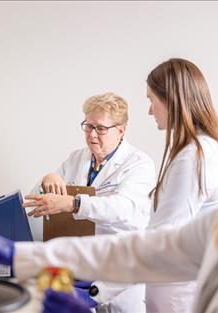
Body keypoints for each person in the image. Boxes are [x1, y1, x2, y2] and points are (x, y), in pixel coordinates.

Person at [0, 53, 218, 313]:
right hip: (132, 284)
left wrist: (91, 293)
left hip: (157, 295)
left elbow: (141, 229)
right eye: (87, 126)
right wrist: (23, 255)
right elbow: (154, 247)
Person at [25, 92, 156, 313]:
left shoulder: (138, 165)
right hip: (79, 271)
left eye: (101, 128)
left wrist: (74, 203)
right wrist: (47, 179)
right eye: (88, 126)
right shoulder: (76, 159)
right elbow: (37, 201)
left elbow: (124, 208)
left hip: (118, 278)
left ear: (121, 130)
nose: (92, 135)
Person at [143, 59, 218, 312]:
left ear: (171, 99)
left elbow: (160, 237)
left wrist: (97, 289)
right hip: (177, 288)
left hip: (180, 294)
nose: (150, 111)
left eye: (151, 100)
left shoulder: (196, 155)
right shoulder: (199, 149)